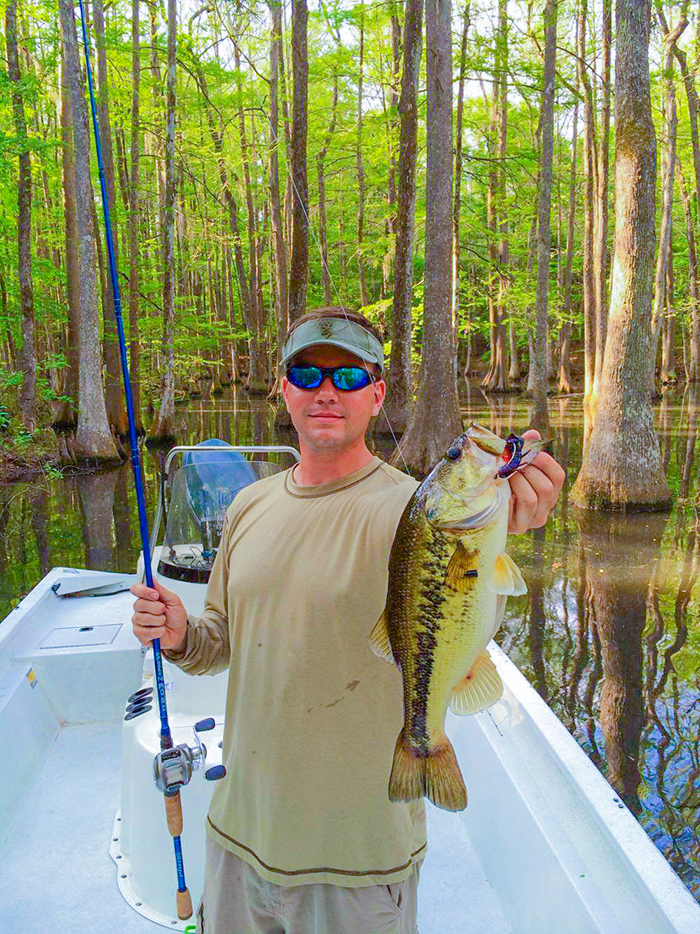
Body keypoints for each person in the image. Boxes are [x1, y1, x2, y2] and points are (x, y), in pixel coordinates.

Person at [131, 307, 565, 934]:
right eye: (306, 374)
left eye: (350, 376)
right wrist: (179, 635)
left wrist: (512, 520)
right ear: (283, 390)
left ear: (377, 393)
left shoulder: (413, 511)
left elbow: (465, 596)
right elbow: (219, 642)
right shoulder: (248, 506)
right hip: (237, 838)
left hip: (359, 864)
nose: (326, 391)